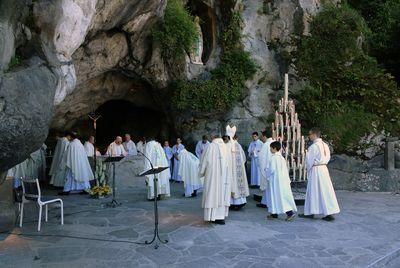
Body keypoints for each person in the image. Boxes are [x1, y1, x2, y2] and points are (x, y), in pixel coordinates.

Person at [300, 128, 340, 221]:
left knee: (313, 190)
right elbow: (328, 157)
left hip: (316, 170)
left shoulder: (313, 147)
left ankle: (311, 211)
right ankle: (328, 212)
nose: (309, 136)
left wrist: (308, 170)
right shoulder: (325, 145)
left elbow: (309, 161)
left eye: (310, 134)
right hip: (324, 169)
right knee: (326, 190)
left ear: (314, 134)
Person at [200, 134, 231, 225]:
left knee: (212, 194)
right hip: (224, 177)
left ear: (213, 138)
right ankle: (221, 217)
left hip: (212, 177)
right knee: (222, 194)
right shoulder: (226, 147)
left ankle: (211, 216)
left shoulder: (210, 147)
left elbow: (204, 161)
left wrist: (201, 172)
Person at [265, 141, 297, 221]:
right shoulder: (281, 158)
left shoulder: (273, 158)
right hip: (282, 180)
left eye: (271, 148)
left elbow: (271, 169)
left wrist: (266, 171)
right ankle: (274, 214)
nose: (270, 149)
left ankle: (290, 213)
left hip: (275, 181)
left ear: (274, 148)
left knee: (277, 196)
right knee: (280, 196)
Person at [228, 128, 249, 211]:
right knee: (238, 185)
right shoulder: (238, 145)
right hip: (239, 170)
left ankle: (233, 203)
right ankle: (240, 201)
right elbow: (243, 158)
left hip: (231, 169)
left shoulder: (229, 145)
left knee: (233, 185)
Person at [257, 130, 275, 208]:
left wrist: (262, 168)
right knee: (270, 187)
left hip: (267, 169)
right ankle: (265, 202)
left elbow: (261, 158)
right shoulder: (275, 142)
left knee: (268, 187)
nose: (262, 138)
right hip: (273, 169)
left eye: (262, 137)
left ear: (265, 136)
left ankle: (268, 202)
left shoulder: (266, 145)